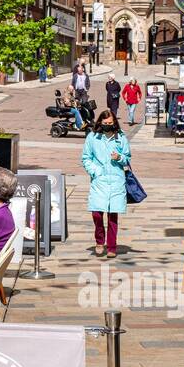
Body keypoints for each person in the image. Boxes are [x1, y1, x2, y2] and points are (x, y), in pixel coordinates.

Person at [81, 109, 131, 259]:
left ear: (114, 122)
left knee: (112, 216)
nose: (108, 125)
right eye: (105, 123)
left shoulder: (121, 137)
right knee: (97, 213)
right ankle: (99, 240)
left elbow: (127, 158)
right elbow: (86, 158)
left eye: (110, 123)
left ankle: (111, 246)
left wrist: (120, 157)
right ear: (100, 123)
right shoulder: (92, 137)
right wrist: (95, 171)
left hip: (116, 180)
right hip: (100, 180)